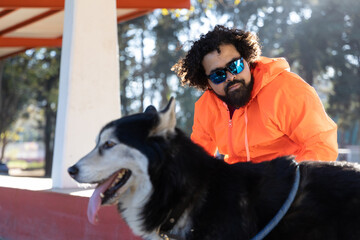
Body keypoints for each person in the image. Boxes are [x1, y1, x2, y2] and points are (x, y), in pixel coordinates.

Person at [172, 25, 338, 163]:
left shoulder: (285, 89)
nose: (231, 77)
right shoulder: (205, 108)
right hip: (241, 190)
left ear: (247, 60)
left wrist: (291, 186)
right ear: (206, 82)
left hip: (291, 186)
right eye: (218, 75)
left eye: (235, 66)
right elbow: (196, 162)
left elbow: (321, 144)